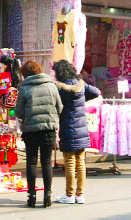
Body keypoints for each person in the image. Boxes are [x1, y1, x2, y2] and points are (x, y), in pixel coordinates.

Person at [14, 60, 63, 208]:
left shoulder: (24, 88)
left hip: (30, 130)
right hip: (48, 129)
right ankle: (47, 194)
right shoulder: (51, 86)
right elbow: (59, 107)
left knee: (31, 161)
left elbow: (18, 111)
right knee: (47, 161)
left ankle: (32, 196)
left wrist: (27, 117)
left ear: (25, 74)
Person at [52, 60, 100, 205]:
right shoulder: (81, 84)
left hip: (67, 127)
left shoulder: (60, 88)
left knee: (69, 163)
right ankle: (80, 195)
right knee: (80, 163)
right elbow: (96, 92)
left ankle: (70, 195)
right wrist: (82, 99)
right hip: (82, 128)